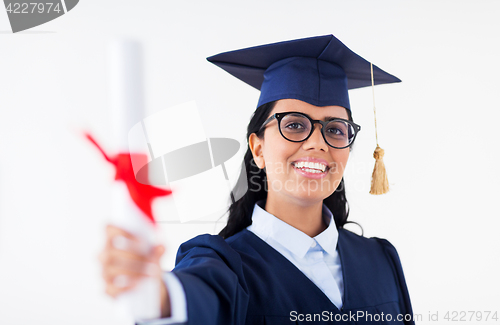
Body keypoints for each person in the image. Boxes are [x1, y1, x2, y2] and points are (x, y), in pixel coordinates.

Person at [99, 34, 414, 325]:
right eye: (294, 125)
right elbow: (197, 299)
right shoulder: (224, 266)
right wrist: (157, 292)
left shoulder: (381, 259)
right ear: (258, 148)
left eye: (334, 129)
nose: (318, 143)